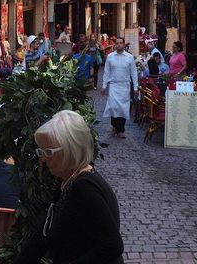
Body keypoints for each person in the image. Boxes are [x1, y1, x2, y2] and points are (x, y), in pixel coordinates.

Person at [16, 110, 123, 264]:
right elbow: (44, 233)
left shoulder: (84, 188)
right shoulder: (68, 181)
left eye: (49, 152)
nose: (44, 158)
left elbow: (112, 246)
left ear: (70, 150)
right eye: (42, 151)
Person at [101, 36, 138, 138]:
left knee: (123, 108)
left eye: (121, 43)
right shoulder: (110, 57)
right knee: (113, 107)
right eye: (117, 43)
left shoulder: (129, 57)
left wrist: (135, 87)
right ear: (115, 44)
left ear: (124, 44)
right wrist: (104, 86)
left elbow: (134, 73)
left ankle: (121, 130)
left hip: (125, 86)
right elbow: (107, 72)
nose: (118, 45)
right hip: (113, 85)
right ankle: (114, 125)